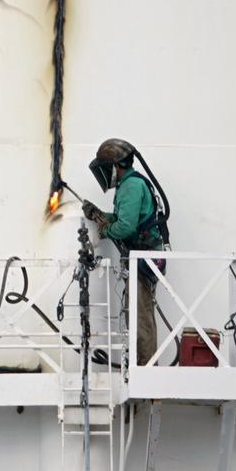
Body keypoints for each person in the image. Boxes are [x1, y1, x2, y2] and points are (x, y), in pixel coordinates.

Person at [81, 138, 166, 367]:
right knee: (136, 312)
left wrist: (106, 229)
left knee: (139, 315)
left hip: (145, 258)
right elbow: (125, 220)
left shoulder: (130, 186)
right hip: (142, 257)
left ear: (116, 166)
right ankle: (142, 364)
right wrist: (100, 215)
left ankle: (146, 367)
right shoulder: (130, 185)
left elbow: (125, 227)